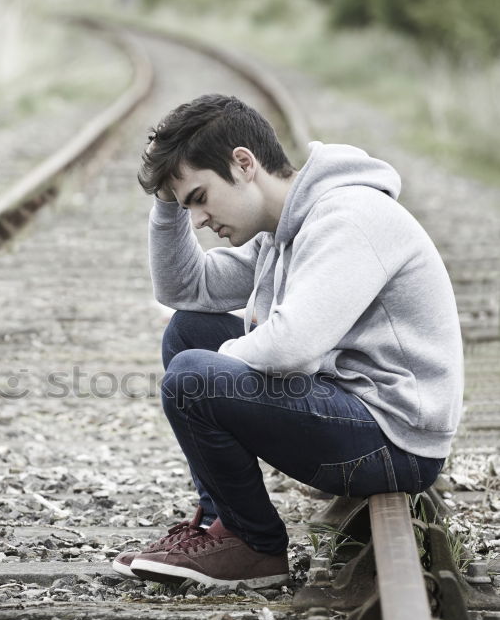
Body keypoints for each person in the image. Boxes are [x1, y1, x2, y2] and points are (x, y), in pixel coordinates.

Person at [112, 93, 463, 589]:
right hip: (351, 411)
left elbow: (292, 345)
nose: (198, 220)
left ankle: (254, 547)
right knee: (191, 331)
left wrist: (215, 372)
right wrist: (165, 203)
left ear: (243, 163)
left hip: (394, 440)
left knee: (194, 375)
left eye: (198, 198)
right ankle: (223, 524)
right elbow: (185, 290)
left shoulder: (349, 217)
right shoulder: (282, 231)